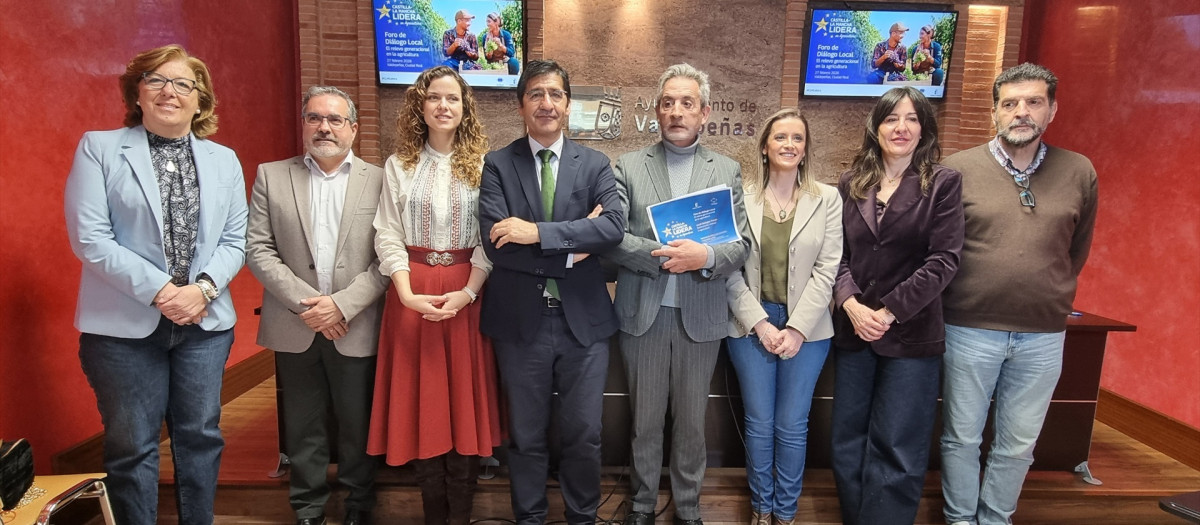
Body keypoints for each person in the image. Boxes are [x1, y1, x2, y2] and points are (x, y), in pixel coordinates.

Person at [64, 44, 247, 525]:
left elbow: (235, 239)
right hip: (123, 330)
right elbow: (91, 239)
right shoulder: (99, 148)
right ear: (137, 93)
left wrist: (202, 290)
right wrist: (164, 292)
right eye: (156, 80)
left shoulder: (224, 160)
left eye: (183, 83)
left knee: (201, 436)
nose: (170, 91)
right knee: (131, 445)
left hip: (204, 326)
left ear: (200, 100)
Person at [939, 63, 1098, 525]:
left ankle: (995, 518)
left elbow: (1077, 248)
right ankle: (959, 520)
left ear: (1051, 109)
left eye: (1033, 102)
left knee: (1017, 444)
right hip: (968, 329)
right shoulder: (958, 169)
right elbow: (942, 250)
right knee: (961, 439)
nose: (1021, 112)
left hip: (1043, 336)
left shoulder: (1079, 171)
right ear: (994, 112)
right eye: (1009, 104)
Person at [477, 59, 625, 525]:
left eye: (555, 94)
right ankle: (531, 518)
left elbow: (614, 228)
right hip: (521, 324)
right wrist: (571, 246)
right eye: (536, 93)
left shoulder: (596, 163)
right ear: (521, 104)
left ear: (567, 105)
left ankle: (582, 517)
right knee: (525, 435)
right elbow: (497, 245)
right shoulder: (498, 164)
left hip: (585, 324)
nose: (546, 103)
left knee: (584, 434)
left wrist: (535, 233)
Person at [606, 63, 751, 525]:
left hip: (701, 317)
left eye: (687, 103)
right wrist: (668, 254)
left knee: (690, 425)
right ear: (657, 110)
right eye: (668, 102)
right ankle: (643, 506)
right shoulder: (627, 166)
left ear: (704, 112)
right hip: (643, 313)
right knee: (644, 422)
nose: (676, 111)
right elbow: (612, 237)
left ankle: (688, 509)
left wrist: (704, 257)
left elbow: (740, 244)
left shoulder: (726, 169)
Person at [246, 86, 389, 525]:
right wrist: (311, 306)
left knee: (356, 422)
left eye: (334, 119)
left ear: (353, 128)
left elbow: (389, 254)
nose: (324, 127)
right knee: (303, 424)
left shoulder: (381, 178)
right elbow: (258, 249)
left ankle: (359, 504)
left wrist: (341, 306)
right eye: (314, 118)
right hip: (296, 323)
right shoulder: (272, 175)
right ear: (304, 123)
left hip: (356, 322)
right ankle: (308, 508)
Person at [368, 66, 503, 525]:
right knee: (422, 406)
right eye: (434, 98)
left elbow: (490, 239)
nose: (443, 106)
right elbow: (387, 234)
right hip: (413, 292)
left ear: (465, 109)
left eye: (453, 99)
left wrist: (468, 292)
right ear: (419, 106)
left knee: (462, 411)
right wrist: (405, 293)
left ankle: (460, 517)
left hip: (467, 292)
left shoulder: (486, 166)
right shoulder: (398, 165)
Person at [829, 86, 963, 525]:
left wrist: (886, 312)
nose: (900, 127)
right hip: (854, 331)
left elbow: (944, 260)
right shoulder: (852, 183)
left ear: (923, 128)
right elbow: (837, 255)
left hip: (910, 334)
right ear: (876, 127)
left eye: (910, 118)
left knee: (898, 444)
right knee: (848, 440)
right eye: (890, 118)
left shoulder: (942, 183)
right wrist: (850, 304)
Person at [724, 108, 842, 525]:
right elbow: (729, 268)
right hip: (748, 324)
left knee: (791, 425)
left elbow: (828, 269)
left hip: (807, 329)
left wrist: (794, 328)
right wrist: (759, 322)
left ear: (806, 149)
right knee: (759, 422)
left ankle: (785, 513)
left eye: (797, 138)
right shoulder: (740, 196)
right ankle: (761, 508)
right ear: (764, 146)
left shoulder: (827, 198)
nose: (789, 145)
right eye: (780, 137)